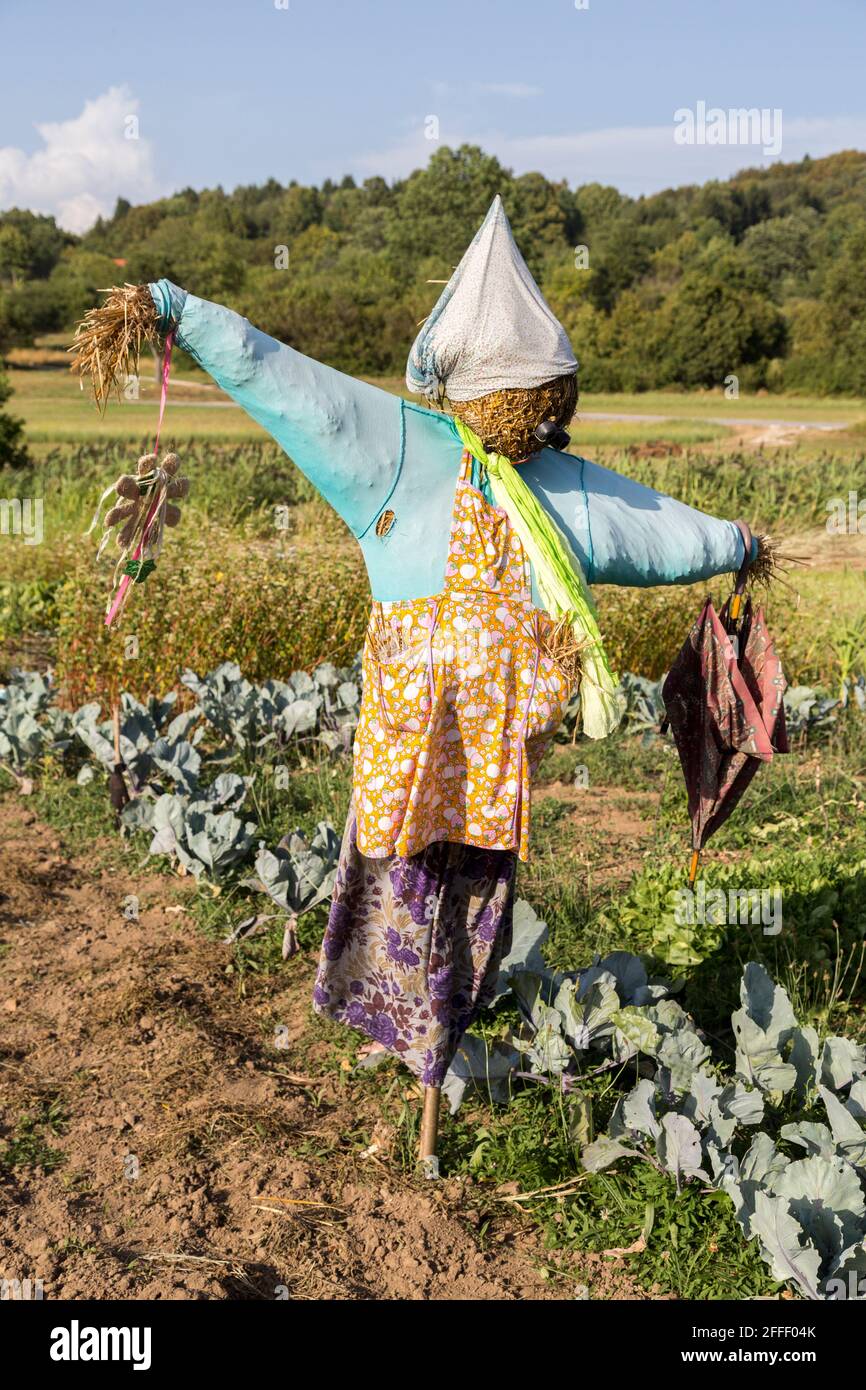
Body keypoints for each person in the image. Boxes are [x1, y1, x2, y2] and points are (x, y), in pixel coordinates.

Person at [77, 196, 757, 1158]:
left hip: (489, 765)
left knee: (468, 917)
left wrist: (736, 542)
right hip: (409, 755)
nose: (538, 418)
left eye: (550, 401)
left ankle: (433, 1060)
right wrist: (176, 310)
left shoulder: (556, 490)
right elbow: (285, 380)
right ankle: (412, 1055)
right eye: (531, 399)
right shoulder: (394, 449)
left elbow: (647, 527)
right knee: (398, 902)